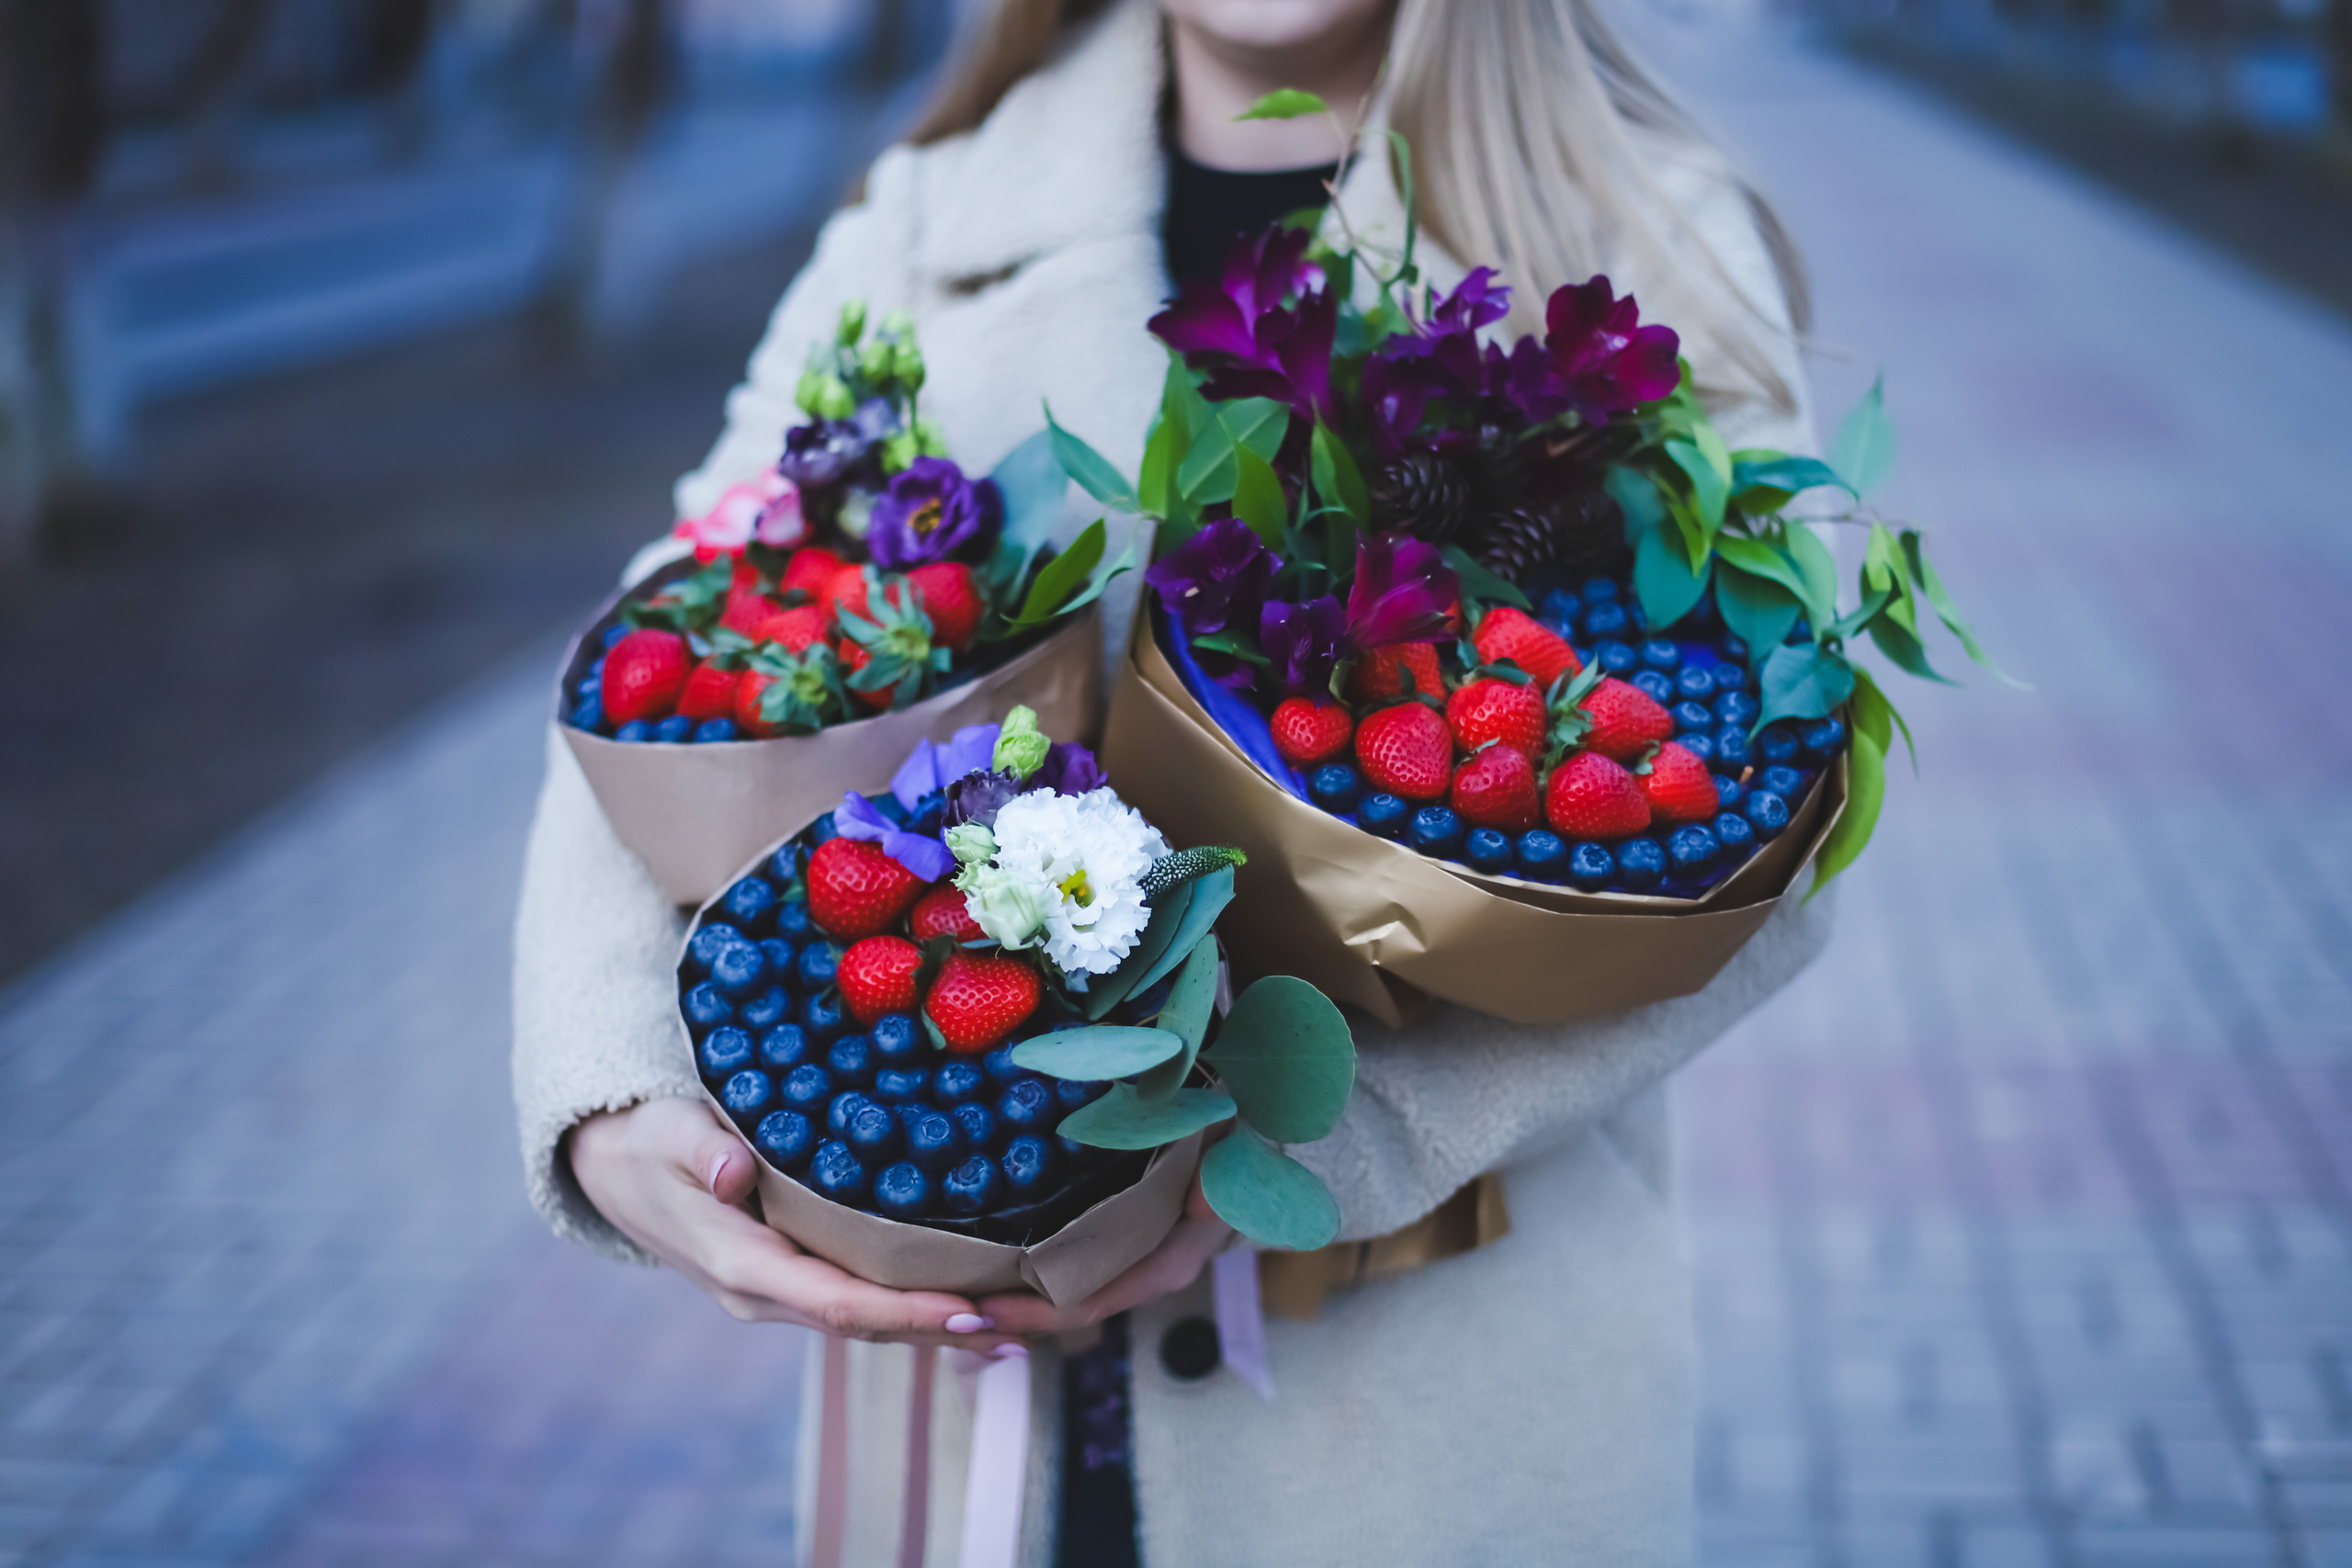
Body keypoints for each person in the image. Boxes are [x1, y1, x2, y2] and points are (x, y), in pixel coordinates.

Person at [512, 0, 1832, 1562]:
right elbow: (691, 620)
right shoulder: (936, 213)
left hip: (1426, 1402)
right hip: (969, 1398)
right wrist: (612, 1087)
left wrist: (1302, 1136)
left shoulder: (1634, 221)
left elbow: (1768, 825)